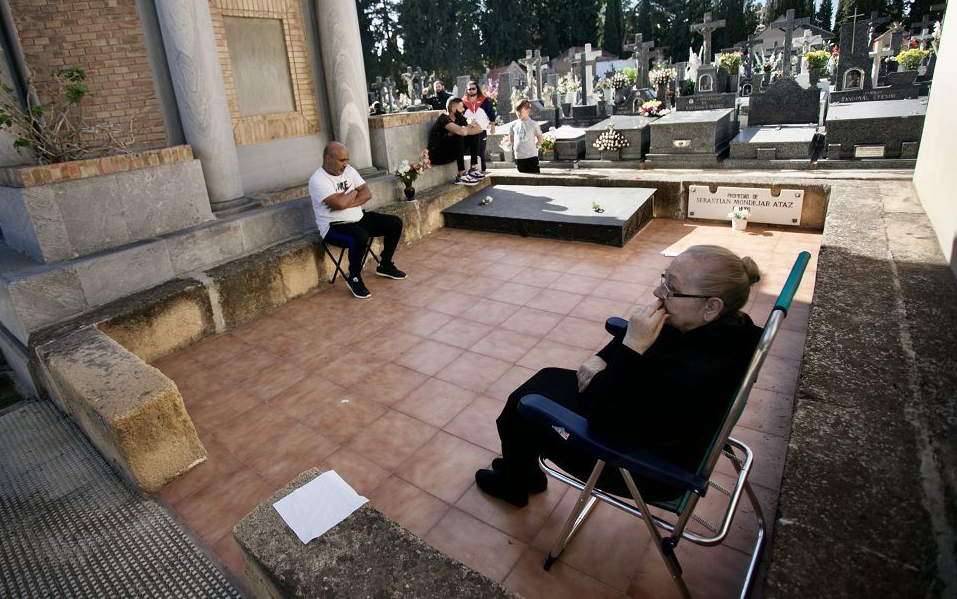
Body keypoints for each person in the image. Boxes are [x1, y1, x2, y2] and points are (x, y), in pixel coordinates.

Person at [475, 245, 763, 507]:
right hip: (639, 417)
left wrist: (630, 349)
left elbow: (606, 421)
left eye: (670, 289)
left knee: (522, 410)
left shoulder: (695, 375)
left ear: (711, 306)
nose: (657, 294)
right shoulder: (725, 327)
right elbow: (645, 334)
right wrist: (604, 356)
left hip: (639, 464)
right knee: (543, 382)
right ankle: (525, 473)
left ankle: (515, 483)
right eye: (663, 279)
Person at [308, 141, 407, 299]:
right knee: (359, 236)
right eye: (342, 160)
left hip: (359, 218)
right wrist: (353, 194)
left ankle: (385, 264)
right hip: (334, 227)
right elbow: (339, 203)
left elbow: (366, 194)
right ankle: (354, 278)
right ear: (328, 159)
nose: (346, 164)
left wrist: (348, 197)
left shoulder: (349, 170)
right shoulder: (318, 180)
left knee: (394, 223)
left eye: (347, 159)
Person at [428, 96, 483, 186]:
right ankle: (461, 175)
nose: (463, 109)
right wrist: (469, 127)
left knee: (473, 135)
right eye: (461, 107)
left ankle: (473, 168)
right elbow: (461, 132)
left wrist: (468, 128)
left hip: (451, 153)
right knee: (459, 135)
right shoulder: (443, 119)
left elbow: (479, 129)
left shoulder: (459, 117)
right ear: (453, 109)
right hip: (438, 156)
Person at [462, 81, 496, 179]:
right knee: (468, 152)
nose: (471, 90)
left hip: (481, 131)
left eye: (473, 88)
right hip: (468, 131)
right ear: (467, 90)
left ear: (477, 89)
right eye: (469, 89)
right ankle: (470, 171)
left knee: (480, 151)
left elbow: (491, 114)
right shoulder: (463, 102)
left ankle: (482, 170)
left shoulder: (484, 100)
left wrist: (493, 127)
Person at [509, 99, 544, 174]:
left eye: (520, 111)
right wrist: (516, 147)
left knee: (535, 177)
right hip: (519, 157)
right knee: (522, 177)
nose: (518, 113)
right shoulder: (513, 124)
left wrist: (534, 147)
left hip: (531, 157)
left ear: (527, 111)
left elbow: (540, 139)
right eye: (517, 111)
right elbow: (511, 138)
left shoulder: (533, 124)